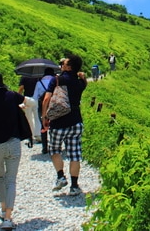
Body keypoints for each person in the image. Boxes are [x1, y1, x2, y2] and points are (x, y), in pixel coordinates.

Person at [0, 71, 35, 230]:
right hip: (13, 143)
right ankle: (8, 218)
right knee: (11, 180)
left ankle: (3, 209)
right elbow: (32, 103)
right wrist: (24, 107)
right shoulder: (12, 96)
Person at [41, 54, 87, 196]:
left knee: (55, 150)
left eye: (64, 63)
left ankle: (60, 177)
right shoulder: (80, 83)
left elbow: (47, 98)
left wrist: (44, 117)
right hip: (76, 121)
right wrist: (83, 77)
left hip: (58, 122)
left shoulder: (56, 80)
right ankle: (74, 186)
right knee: (74, 154)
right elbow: (84, 83)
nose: (62, 65)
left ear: (68, 66)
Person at [34, 67, 56, 154]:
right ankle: (54, 145)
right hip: (53, 105)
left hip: (42, 106)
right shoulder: (56, 82)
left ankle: (44, 148)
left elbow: (35, 96)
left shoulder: (39, 83)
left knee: (43, 125)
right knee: (54, 124)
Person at [18, 75, 40, 144]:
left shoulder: (24, 76)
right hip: (36, 99)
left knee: (29, 118)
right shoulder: (38, 76)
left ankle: (32, 135)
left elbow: (21, 88)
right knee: (37, 117)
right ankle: (38, 135)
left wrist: (18, 97)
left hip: (27, 99)